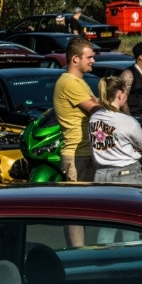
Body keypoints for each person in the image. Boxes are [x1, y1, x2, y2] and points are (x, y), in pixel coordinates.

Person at [54, 38, 99, 246]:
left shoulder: (79, 82)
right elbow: (96, 109)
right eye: (89, 57)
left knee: (84, 208)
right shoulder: (70, 82)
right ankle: (77, 254)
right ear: (75, 58)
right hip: (76, 154)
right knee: (77, 209)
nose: (93, 61)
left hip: (85, 152)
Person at [90, 76, 142, 185]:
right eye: (125, 94)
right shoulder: (128, 121)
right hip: (127, 173)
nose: (126, 97)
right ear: (119, 94)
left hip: (100, 173)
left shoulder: (93, 119)